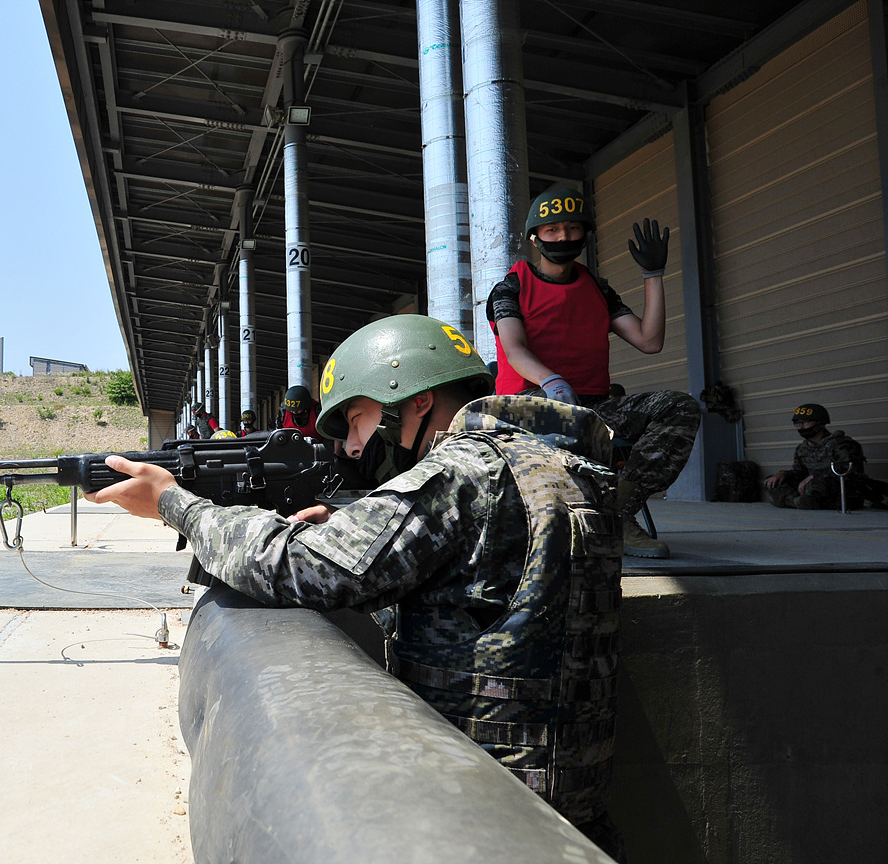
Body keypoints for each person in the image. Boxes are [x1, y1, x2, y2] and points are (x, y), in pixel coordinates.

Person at [90, 315, 627, 859]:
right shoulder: (563, 463)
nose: (352, 444)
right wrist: (347, 522)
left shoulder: (462, 473)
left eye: (356, 417)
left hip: (480, 812)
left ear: (413, 398)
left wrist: (174, 504)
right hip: (577, 816)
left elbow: (293, 566)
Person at [488, 184, 701, 558]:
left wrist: (653, 275)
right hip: (528, 406)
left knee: (679, 406)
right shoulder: (512, 287)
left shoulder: (597, 290)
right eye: (552, 230)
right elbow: (514, 348)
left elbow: (649, 341)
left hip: (591, 407)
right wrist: (552, 380)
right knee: (565, 414)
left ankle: (617, 511)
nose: (563, 237)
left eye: (572, 228)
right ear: (535, 238)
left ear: (585, 235)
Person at [765, 403, 877, 510]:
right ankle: (799, 502)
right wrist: (783, 474)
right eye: (797, 423)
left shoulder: (842, 444)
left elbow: (850, 473)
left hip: (841, 492)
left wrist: (814, 477)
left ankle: (797, 502)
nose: (800, 427)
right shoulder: (802, 448)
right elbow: (799, 473)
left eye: (805, 422)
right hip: (811, 490)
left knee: (816, 485)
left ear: (820, 423)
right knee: (773, 482)